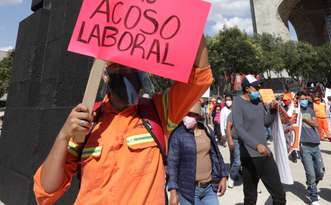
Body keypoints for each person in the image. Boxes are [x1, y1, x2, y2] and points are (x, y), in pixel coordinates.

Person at [33, 38, 212, 204]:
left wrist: (190, 14)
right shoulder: (88, 120)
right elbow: (46, 191)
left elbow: (199, 76)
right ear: (105, 75)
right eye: (118, 67)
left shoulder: (159, 112)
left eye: (132, 68)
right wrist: (63, 135)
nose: (126, 72)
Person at [231, 74, 286, 205]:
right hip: (250, 157)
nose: (259, 88)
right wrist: (256, 145)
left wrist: (272, 111)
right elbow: (239, 129)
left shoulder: (258, 102)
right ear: (247, 88)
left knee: (279, 196)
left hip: (265, 155)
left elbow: (266, 123)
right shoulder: (237, 102)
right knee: (250, 198)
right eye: (256, 86)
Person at [167, 102, 228, 205]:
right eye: (185, 114)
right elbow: (172, 164)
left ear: (198, 116)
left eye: (191, 114)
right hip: (188, 191)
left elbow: (217, 155)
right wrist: (173, 191)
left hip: (209, 188)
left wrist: (223, 176)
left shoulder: (207, 130)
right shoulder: (177, 134)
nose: (187, 117)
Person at [298, 91, 324, 205]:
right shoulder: (294, 112)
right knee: (311, 173)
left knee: (320, 172)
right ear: (297, 100)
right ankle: (313, 196)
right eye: (301, 99)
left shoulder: (310, 110)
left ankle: (310, 185)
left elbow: (316, 124)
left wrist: (305, 120)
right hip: (304, 146)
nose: (304, 101)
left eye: (305, 98)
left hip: (315, 144)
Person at [225, 112, 241, 188]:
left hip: (244, 140)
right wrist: (230, 140)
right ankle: (232, 177)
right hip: (235, 140)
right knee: (237, 161)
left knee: (234, 159)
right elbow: (228, 127)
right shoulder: (233, 113)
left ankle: (234, 174)